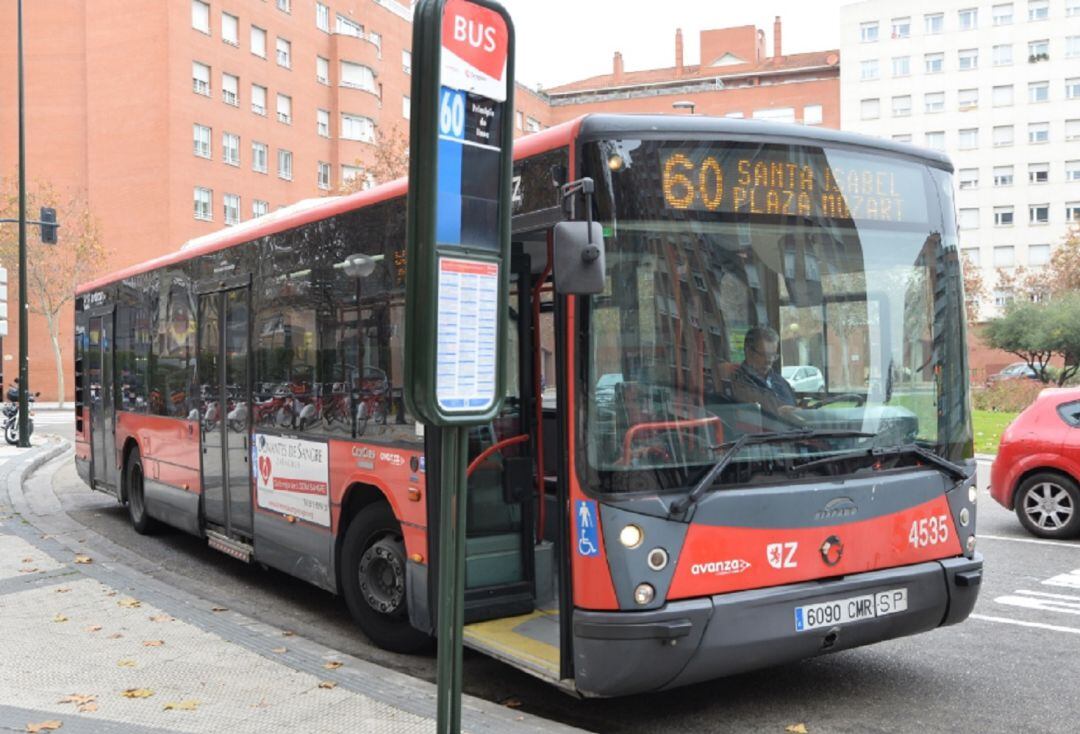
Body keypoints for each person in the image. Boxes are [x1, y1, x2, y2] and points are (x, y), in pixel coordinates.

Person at [732, 326, 800, 424]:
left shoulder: (780, 380)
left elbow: (793, 406)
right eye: (765, 355)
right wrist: (780, 410)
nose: (770, 360)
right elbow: (756, 406)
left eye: (773, 355)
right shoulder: (739, 381)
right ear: (749, 352)